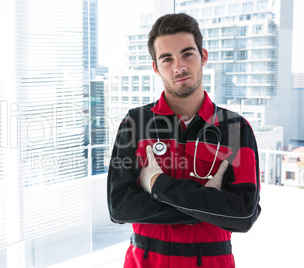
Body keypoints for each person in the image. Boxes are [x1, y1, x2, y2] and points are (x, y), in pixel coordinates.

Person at [107, 13, 261, 268]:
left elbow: (244, 213)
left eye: (187, 54)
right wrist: (207, 206)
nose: (179, 67)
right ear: (156, 67)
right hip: (145, 261)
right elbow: (119, 207)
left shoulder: (235, 128)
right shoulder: (136, 123)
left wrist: (157, 183)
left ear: (203, 56)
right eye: (167, 59)